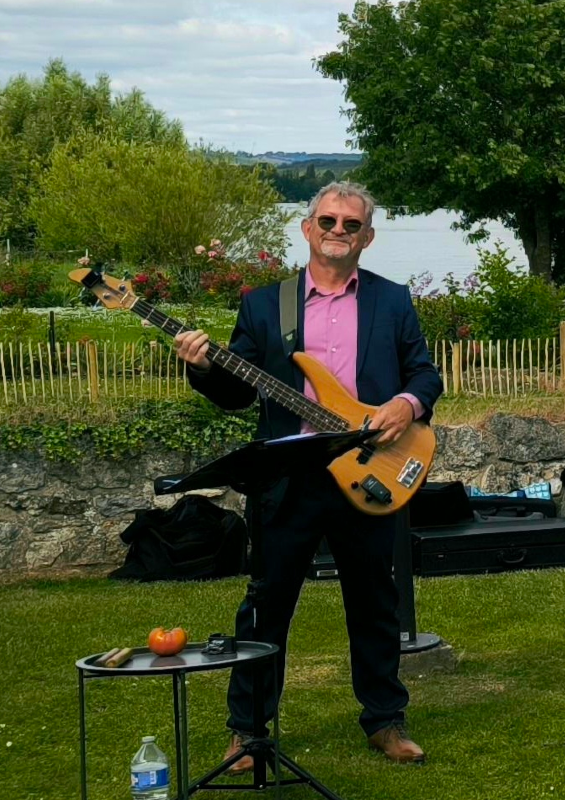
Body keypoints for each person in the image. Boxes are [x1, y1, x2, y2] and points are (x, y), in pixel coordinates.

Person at [173, 182, 440, 768]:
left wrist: (406, 404)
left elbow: (425, 374)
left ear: (367, 237)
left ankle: (385, 721)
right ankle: (247, 731)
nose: (337, 231)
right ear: (307, 228)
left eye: (351, 224)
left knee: (375, 604)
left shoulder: (392, 302)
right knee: (265, 607)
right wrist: (201, 368)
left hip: (369, 474)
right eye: (328, 221)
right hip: (288, 480)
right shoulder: (267, 305)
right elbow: (239, 394)